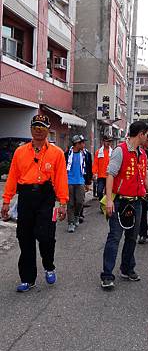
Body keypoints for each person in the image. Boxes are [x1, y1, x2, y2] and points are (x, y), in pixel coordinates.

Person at [1, 114, 68, 292]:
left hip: (46, 197)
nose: (38, 130)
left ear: (47, 130)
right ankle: (27, 279)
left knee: (46, 237)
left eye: (42, 127)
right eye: (35, 126)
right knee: (25, 238)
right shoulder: (20, 152)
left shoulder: (57, 153)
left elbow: (61, 179)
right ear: (31, 129)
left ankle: (49, 266)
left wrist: (63, 203)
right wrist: (6, 201)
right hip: (25, 198)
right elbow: (12, 178)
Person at [100, 121, 148, 289]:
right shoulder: (120, 151)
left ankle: (127, 268)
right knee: (114, 237)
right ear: (141, 134)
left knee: (132, 238)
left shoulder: (142, 153)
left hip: (136, 202)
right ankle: (107, 275)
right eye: (146, 134)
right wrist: (110, 200)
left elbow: (145, 177)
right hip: (120, 201)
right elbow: (110, 175)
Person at [65, 134, 91, 232]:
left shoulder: (86, 155)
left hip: (80, 181)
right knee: (70, 203)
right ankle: (71, 223)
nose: (84, 144)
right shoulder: (67, 154)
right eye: (82, 143)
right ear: (77, 144)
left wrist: (88, 182)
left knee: (80, 201)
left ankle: (76, 216)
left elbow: (88, 169)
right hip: (69, 181)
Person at [92, 135, 113, 202]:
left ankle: (105, 205)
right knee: (99, 191)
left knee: (108, 192)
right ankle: (101, 203)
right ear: (103, 141)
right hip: (101, 176)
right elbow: (95, 163)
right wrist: (94, 173)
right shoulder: (98, 152)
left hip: (109, 176)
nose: (108, 143)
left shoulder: (113, 152)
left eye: (110, 141)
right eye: (107, 141)